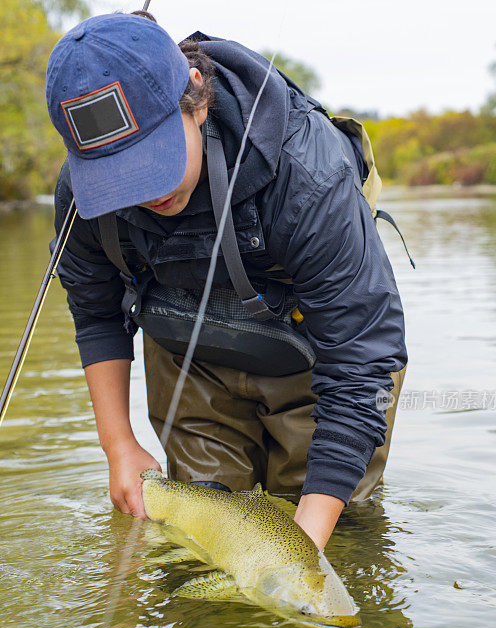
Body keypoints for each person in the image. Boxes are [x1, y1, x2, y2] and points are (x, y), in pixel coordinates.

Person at [46, 11, 407, 551]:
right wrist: (118, 446)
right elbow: (96, 311)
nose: (146, 194)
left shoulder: (304, 169)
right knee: (202, 542)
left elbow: (362, 359)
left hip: (317, 360)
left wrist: (299, 561)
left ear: (197, 97)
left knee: (336, 539)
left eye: (152, 162)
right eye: (118, 179)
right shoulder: (81, 195)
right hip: (187, 356)